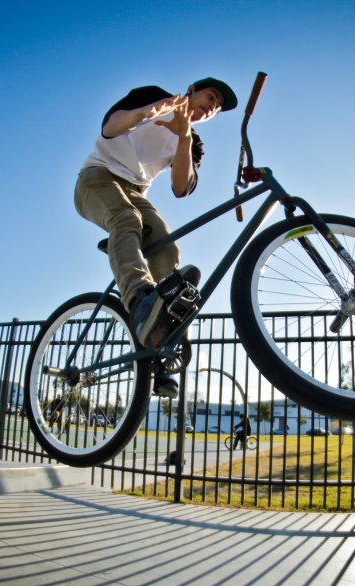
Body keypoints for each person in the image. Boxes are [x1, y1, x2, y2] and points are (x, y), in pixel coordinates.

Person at [74, 77, 238, 399]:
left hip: (136, 191)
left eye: (217, 108)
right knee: (126, 219)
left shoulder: (194, 143)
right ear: (191, 90)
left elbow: (181, 187)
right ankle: (140, 303)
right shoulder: (154, 97)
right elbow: (109, 128)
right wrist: (148, 112)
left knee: (167, 247)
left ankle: (163, 348)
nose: (212, 107)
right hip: (96, 178)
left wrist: (184, 135)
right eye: (210, 97)